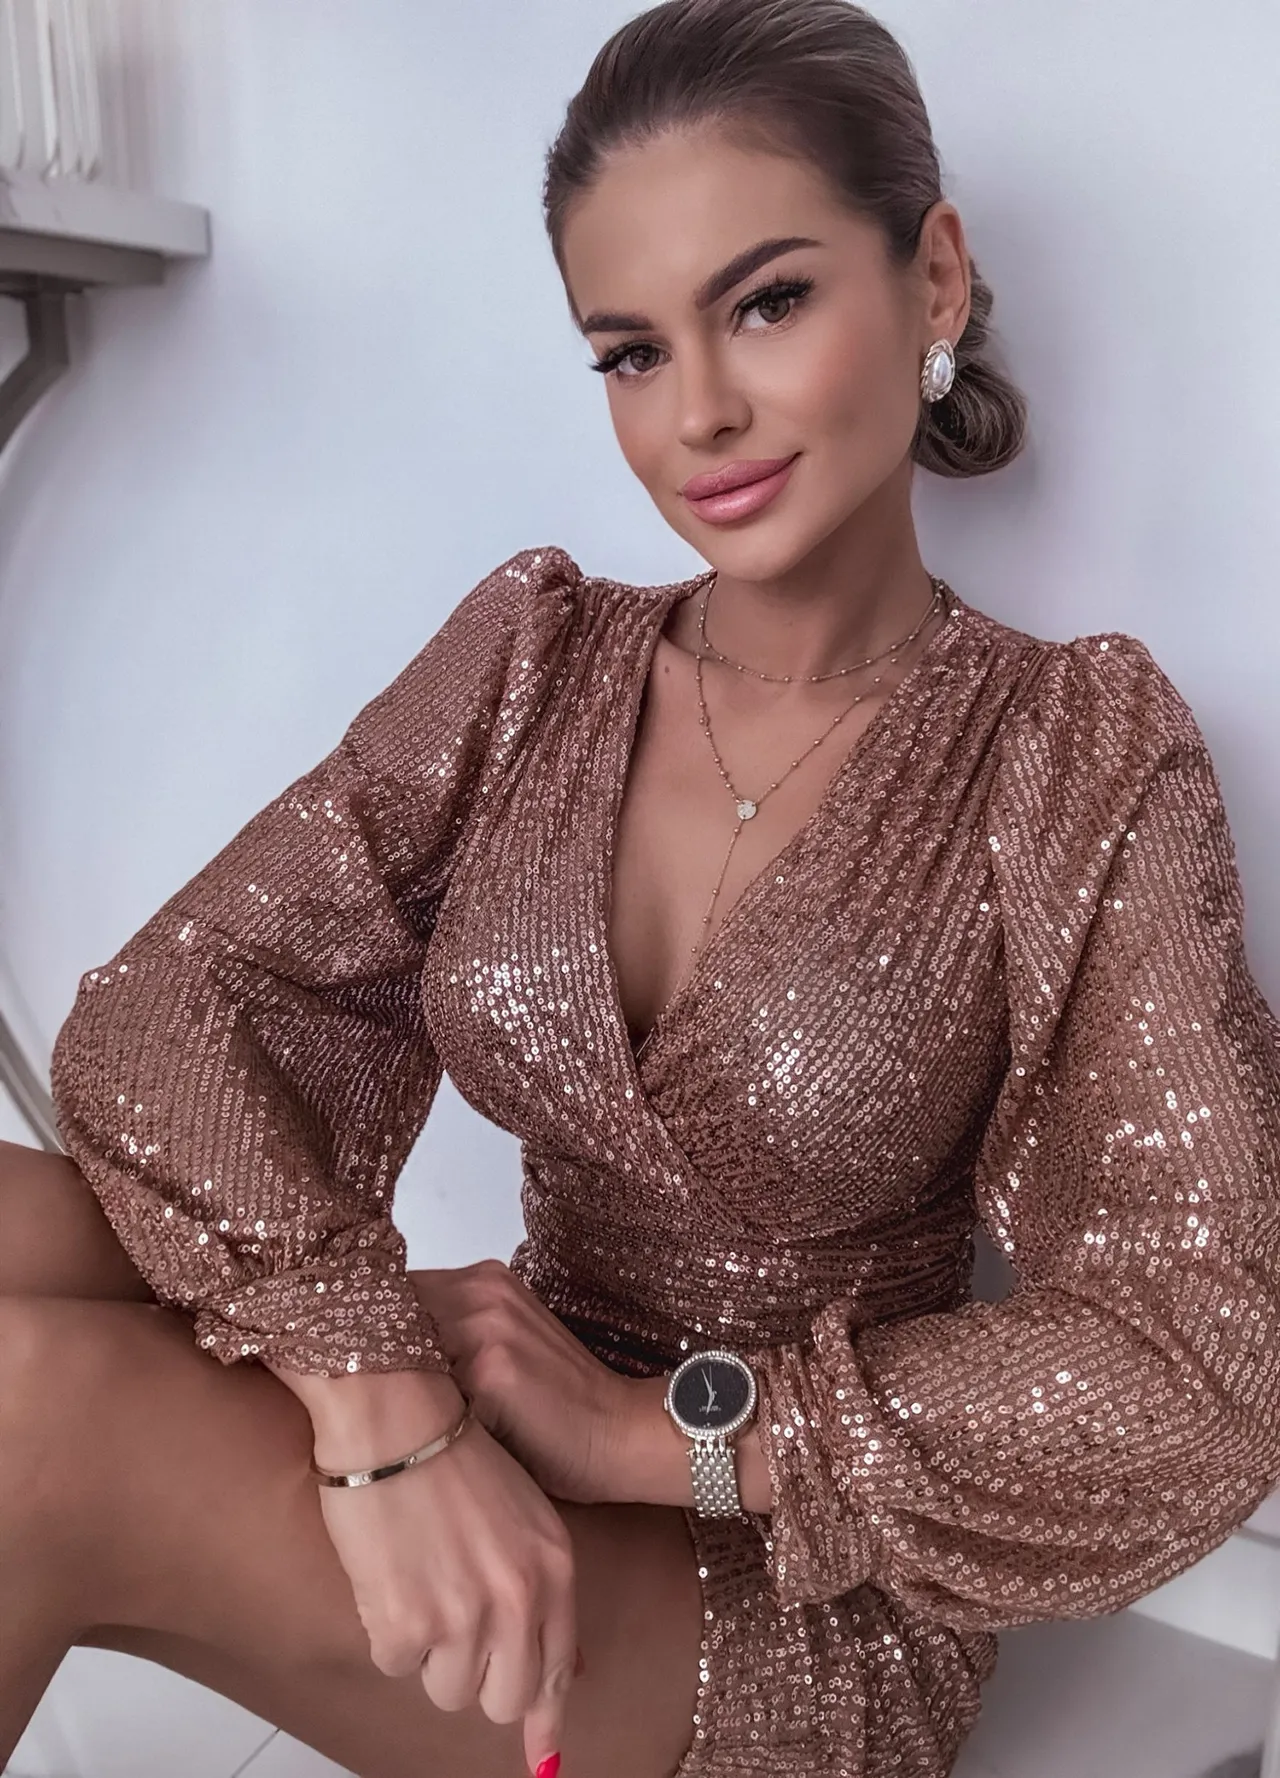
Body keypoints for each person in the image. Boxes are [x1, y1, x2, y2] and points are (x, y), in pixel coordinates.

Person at [3, 0, 1279, 1774]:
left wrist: (646, 1433)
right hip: (512, 1384)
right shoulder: (536, 657)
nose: (700, 413)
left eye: (767, 303)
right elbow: (172, 1010)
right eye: (628, 350)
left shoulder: (1070, 746)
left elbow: (1205, 1351)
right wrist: (378, 1385)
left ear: (933, 278)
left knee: (29, 1419)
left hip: (796, 1579)